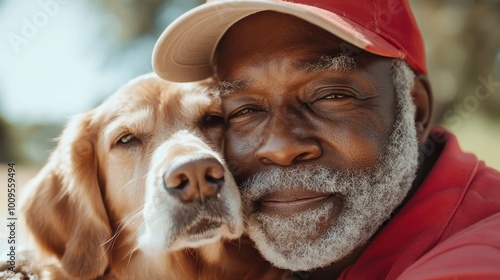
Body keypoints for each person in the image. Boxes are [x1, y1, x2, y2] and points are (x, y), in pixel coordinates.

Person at [151, 0, 500, 279]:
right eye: (244, 111)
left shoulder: (479, 255)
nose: (281, 147)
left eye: (330, 96)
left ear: (415, 109)